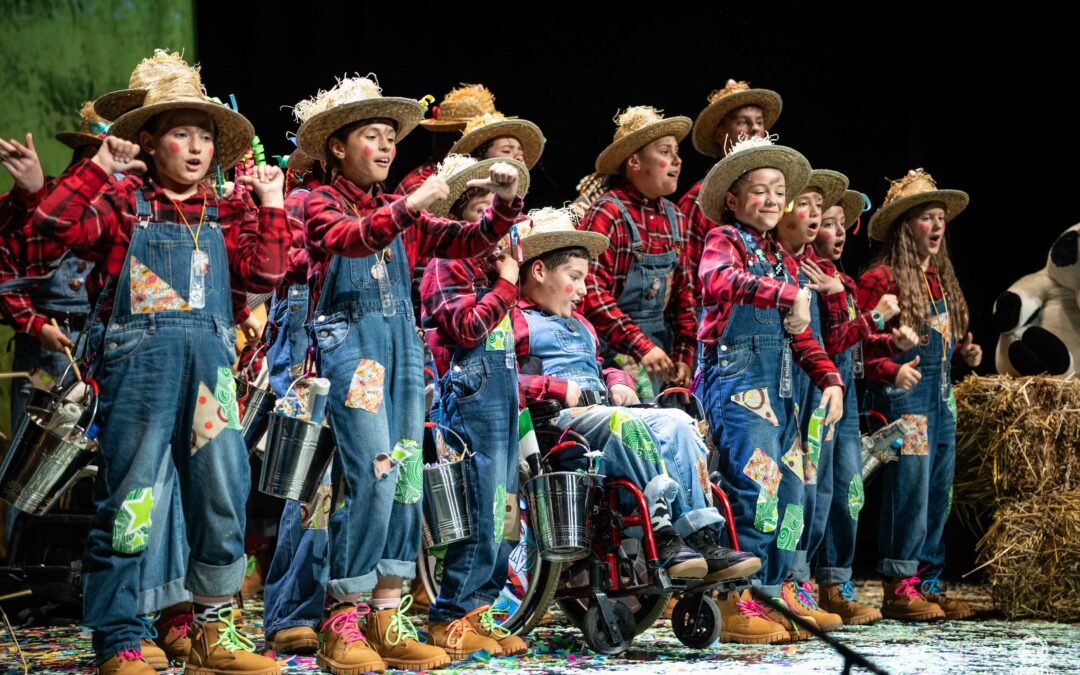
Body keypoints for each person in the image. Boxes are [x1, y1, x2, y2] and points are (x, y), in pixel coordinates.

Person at [34, 51, 288, 674]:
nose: (197, 149)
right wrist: (98, 168)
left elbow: (268, 273)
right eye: (182, 134)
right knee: (134, 501)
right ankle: (120, 635)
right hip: (139, 372)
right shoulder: (125, 202)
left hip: (211, 375)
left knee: (223, 490)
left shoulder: (228, 209)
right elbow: (52, 222)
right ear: (150, 142)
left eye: (205, 136)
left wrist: (274, 202)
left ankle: (212, 629)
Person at [295, 74, 524, 672]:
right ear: (338, 148)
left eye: (391, 136)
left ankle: (387, 615)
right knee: (370, 476)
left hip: (401, 352)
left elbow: (470, 241)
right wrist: (412, 203)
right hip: (352, 352)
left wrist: (503, 201)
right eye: (372, 135)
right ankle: (341, 618)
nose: (387, 146)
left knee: (404, 481)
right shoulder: (318, 200)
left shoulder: (397, 213)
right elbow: (348, 239)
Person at [695, 136, 844, 643]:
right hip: (739, 386)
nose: (772, 200)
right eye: (759, 191)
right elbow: (717, 280)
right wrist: (787, 293)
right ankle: (738, 598)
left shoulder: (778, 255)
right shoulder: (725, 240)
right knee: (753, 486)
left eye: (778, 191)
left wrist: (830, 377)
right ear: (734, 201)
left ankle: (778, 589)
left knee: (794, 491)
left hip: (780, 391)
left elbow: (800, 332)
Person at [857, 169, 982, 621]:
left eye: (940, 218)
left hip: (941, 400)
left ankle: (928, 580)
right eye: (926, 217)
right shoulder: (880, 278)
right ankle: (899, 583)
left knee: (937, 492)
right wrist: (893, 368)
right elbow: (858, 346)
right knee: (909, 489)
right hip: (904, 402)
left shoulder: (940, 278)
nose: (936, 226)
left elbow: (945, 341)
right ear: (905, 225)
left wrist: (965, 353)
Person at [579, 106, 696, 394]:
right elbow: (590, 291)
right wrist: (639, 345)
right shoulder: (607, 212)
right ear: (634, 161)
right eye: (665, 152)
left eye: (677, 152)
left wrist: (684, 354)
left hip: (660, 351)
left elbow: (684, 297)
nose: (677, 160)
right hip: (611, 351)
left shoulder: (675, 216)